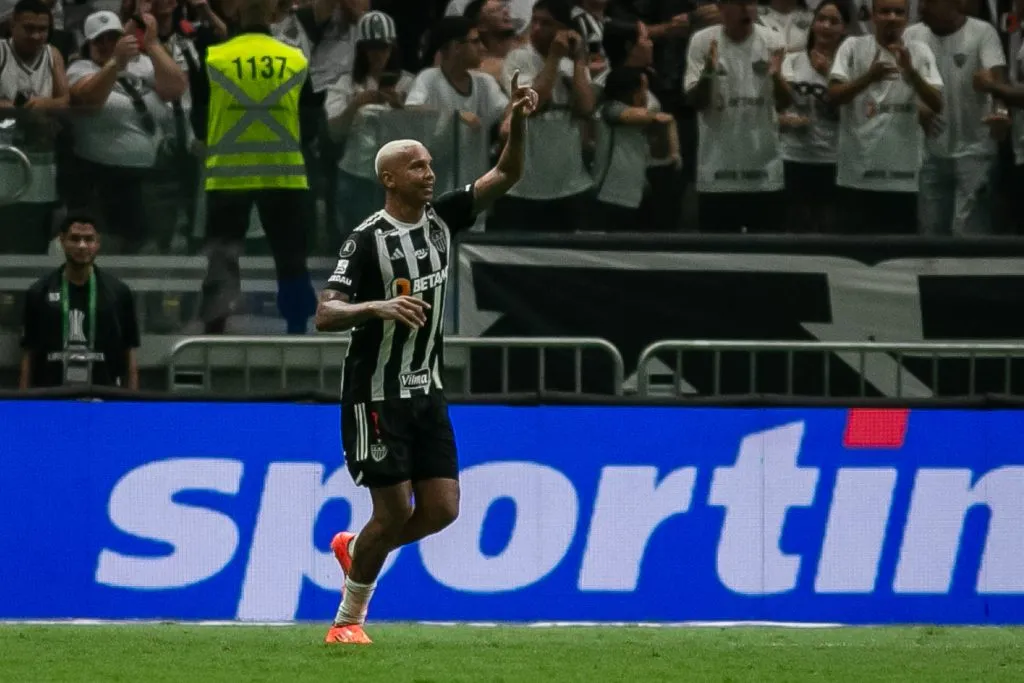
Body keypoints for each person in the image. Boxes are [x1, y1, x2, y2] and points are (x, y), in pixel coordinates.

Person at [314, 70, 539, 645]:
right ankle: (347, 622)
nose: (429, 173)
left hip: (426, 390)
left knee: (441, 509)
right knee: (391, 513)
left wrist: (518, 123)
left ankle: (356, 547)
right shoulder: (366, 240)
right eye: (416, 166)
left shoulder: (443, 219)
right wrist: (378, 306)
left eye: (431, 165)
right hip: (376, 394)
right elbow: (325, 312)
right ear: (389, 179)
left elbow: (507, 174)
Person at [194, 0, 317, 334]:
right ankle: (297, 327)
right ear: (273, 14)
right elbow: (310, 125)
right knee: (291, 259)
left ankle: (215, 330)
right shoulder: (295, 60)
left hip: (227, 176)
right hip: (284, 175)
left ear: (235, 12)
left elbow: (199, 122)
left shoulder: (214, 58)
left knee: (222, 258)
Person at [827, 0, 943, 234]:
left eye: (898, 12)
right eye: (885, 11)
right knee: (853, 251)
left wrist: (911, 73)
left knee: (899, 253)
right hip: (857, 176)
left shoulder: (920, 51)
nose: (892, 17)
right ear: (873, 16)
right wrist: (869, 77)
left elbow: (937, 103)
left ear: (907, 18)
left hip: (902, 178)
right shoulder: (852, 46)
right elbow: (833, 96)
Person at [685, 0, 790, 233]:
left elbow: (785, 103)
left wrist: (776, 76)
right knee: (719, 252)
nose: (746, 9)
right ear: (721, 7)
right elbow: (695, 102)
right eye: (739, 3)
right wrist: (708, 73)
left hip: (765, 176)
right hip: (717, 174)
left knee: (768, 251)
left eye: (751, 3)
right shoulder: (702, 41)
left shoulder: (773, 40)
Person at [905, 0, 1006, 236]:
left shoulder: (982, 32)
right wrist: (915, 108)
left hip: (975, 151)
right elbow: (897, 84)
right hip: (929, 152)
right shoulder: (911, 35)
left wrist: (1000, 112)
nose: (921, 8)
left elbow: (997, 78)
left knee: (968, 233)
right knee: (930, 231)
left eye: (929, 2)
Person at [19, 212, 140, 390]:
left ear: (98, 243)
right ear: (62, 241)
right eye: (75, 239)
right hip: (51, 396)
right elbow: (29, 353)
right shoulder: (39, 292)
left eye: (89, 239)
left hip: (105, 396)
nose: (82, 246)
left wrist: (133, 401)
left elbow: (129, 352)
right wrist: (24, 401)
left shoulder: (119, 293)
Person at [0, 0, 69, 254]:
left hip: (41, 160)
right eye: (29, 28)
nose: (37, 36)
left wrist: (41, 103)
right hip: (4, 160)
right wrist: (19, 108)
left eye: (43, 29)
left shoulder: (52, 54)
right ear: (12, 25)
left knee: (35, 240)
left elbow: (64, 101)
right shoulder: (1, 51)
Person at [779, 0, 848, 232]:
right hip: (793, 155)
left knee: (829, 228)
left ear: (844, 28)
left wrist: (828, 73)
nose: (826, 26)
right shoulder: (792, 60)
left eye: (834, 21)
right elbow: (779, 104)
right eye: (821, 19)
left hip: (833, 157)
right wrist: (786, 119)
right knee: (794, 227)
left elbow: (854, 111)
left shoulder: (848, 64)